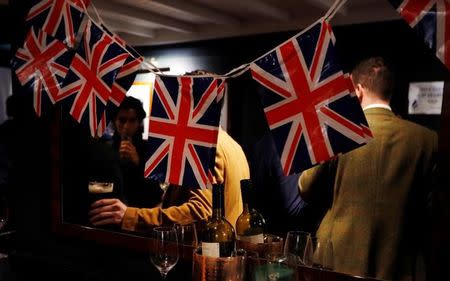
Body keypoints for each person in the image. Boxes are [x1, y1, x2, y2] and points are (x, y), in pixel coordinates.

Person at [297, 57, 437, 280]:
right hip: (399, 265)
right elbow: (432, 209)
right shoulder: (428, 140)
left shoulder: (338, 132)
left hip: (338, 262)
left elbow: (306, 188)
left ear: (358, 90)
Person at [89, 102, 250, 231]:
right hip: (224, 255)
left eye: (181, 99)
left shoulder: (206, 146)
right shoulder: (233, 145)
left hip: (206, 258)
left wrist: (131, 216)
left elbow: (200, 212)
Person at [103, 96, 162, 208]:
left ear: (139, 122)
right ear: (115, 121)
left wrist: (138, 163)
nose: (126, 126)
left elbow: (157, 193)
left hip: (140, 212)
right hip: (111, 210)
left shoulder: (149, 149)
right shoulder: (106, 148)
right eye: (122, 120)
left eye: (132, 120)